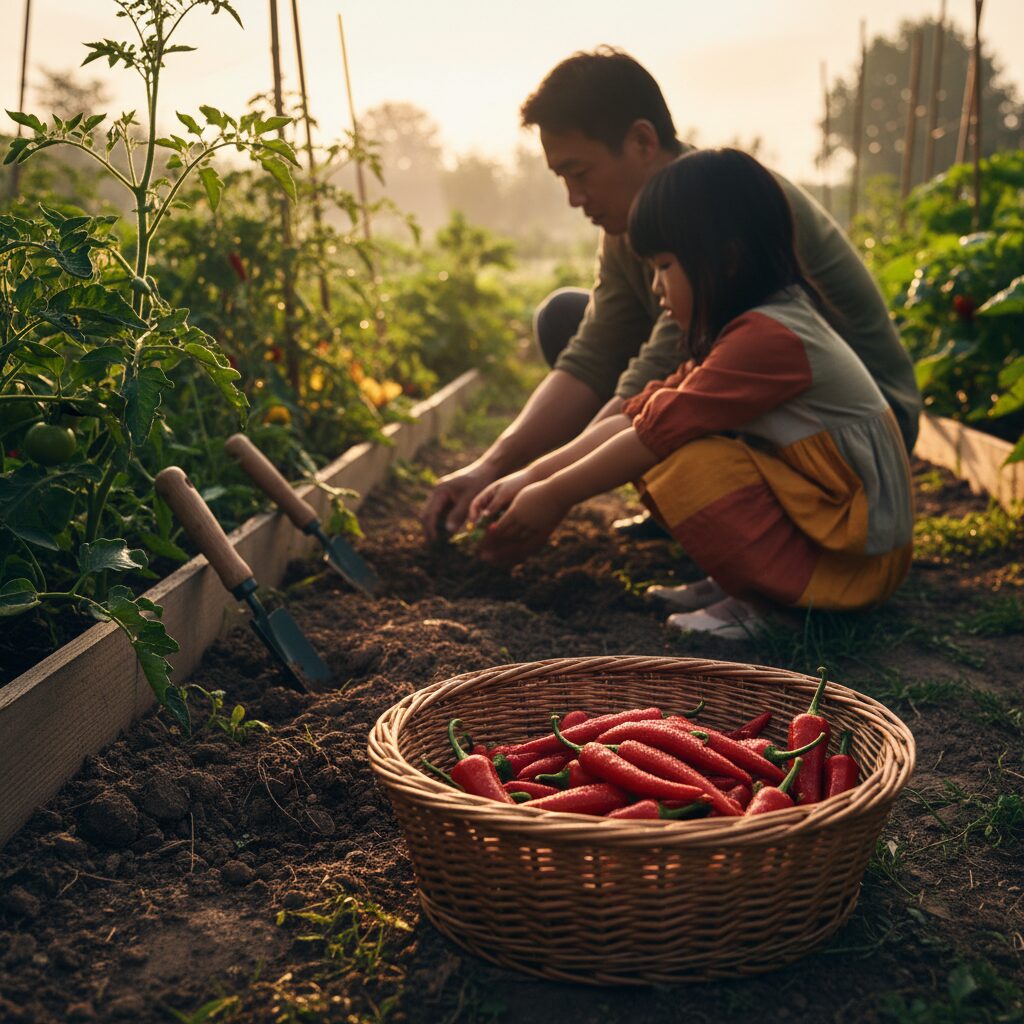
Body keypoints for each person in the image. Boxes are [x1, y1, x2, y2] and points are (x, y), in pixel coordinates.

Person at [420, 48, 921, 555]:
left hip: (854, 441)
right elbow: (596, 352)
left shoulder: (723, 209)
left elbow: (654, 397)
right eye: (562, 179)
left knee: (662, 426)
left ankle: (737, 534)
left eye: (581, 173)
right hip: (767, 409)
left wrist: (552, 490)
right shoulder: (631, 223)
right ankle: (698, 514)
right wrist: (493, 468)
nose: (574, 198)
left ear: (642, 141)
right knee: (565, 319)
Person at [466, 148, 915, 636]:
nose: (657, 288)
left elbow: (651, 433)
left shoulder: (769, 338)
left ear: (727, 262)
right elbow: (638, 412)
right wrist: (531, 477)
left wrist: (553, 497)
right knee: (662, 431)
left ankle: (775, 605)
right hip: (839, 537)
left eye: (665, 266)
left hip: (857, 564)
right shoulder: (747, 329)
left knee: (684, 457)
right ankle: (744, 582)